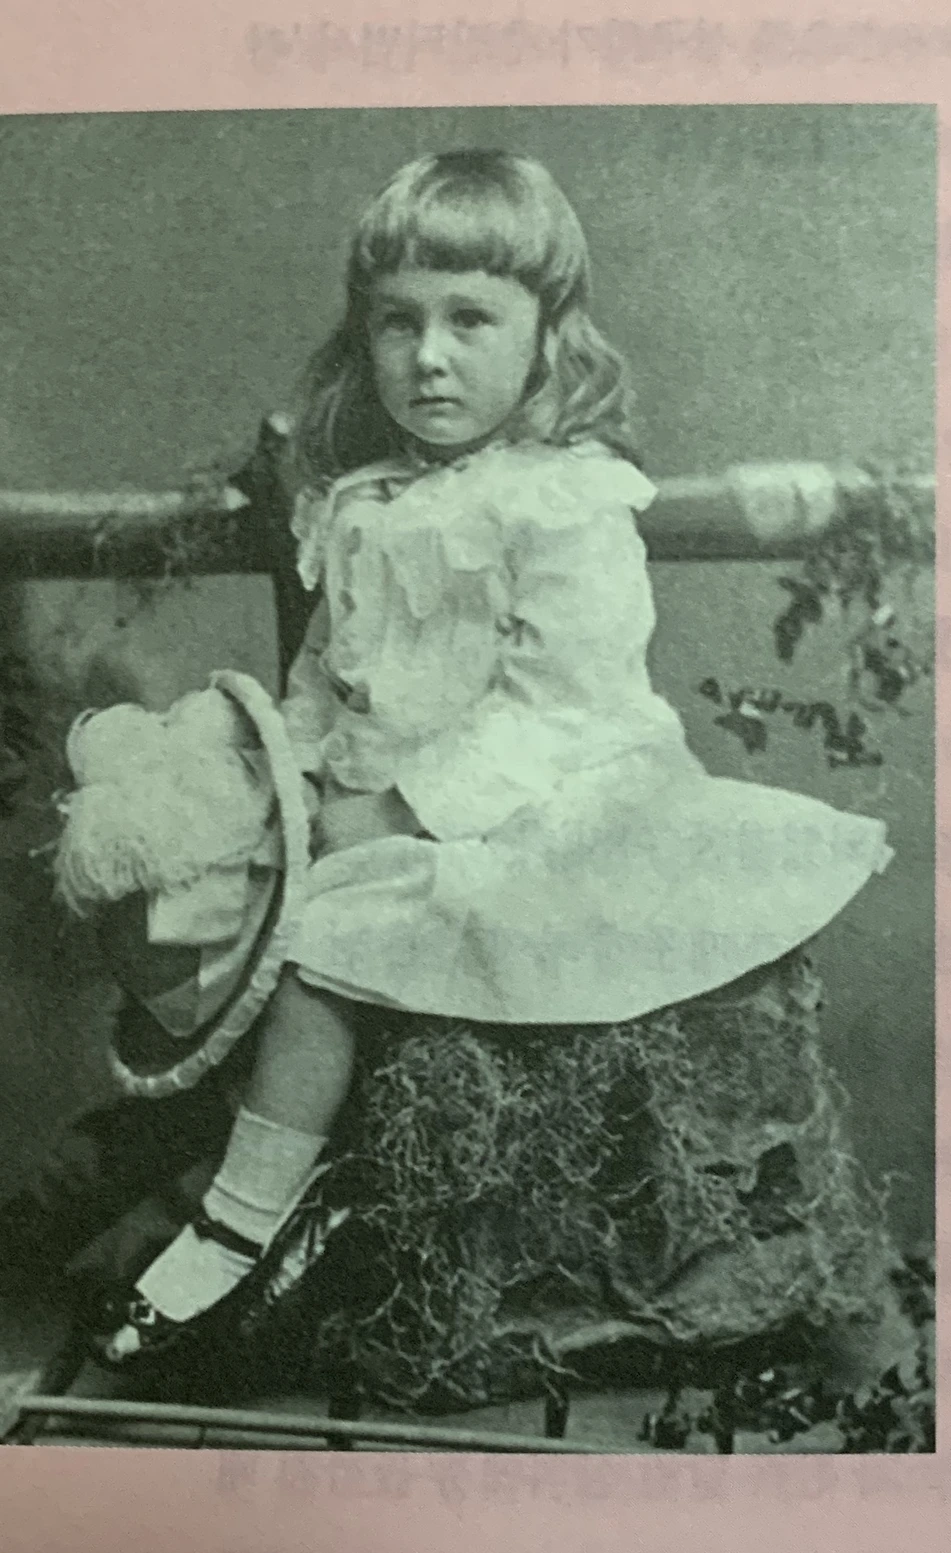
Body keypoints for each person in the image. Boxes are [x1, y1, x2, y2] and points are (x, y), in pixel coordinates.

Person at [99, 149, 893, 1365]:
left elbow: (555, 708)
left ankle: (236, 1222)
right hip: (390, 792)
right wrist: (293, 779)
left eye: (469, 320)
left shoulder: (564, 501)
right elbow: (327, 678)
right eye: (398, 322)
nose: (429, 356)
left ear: (543, 334)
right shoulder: (361, 501)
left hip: (559, 803)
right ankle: (271, 1183)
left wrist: (396, 810)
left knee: (328, 945)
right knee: (216, 892)